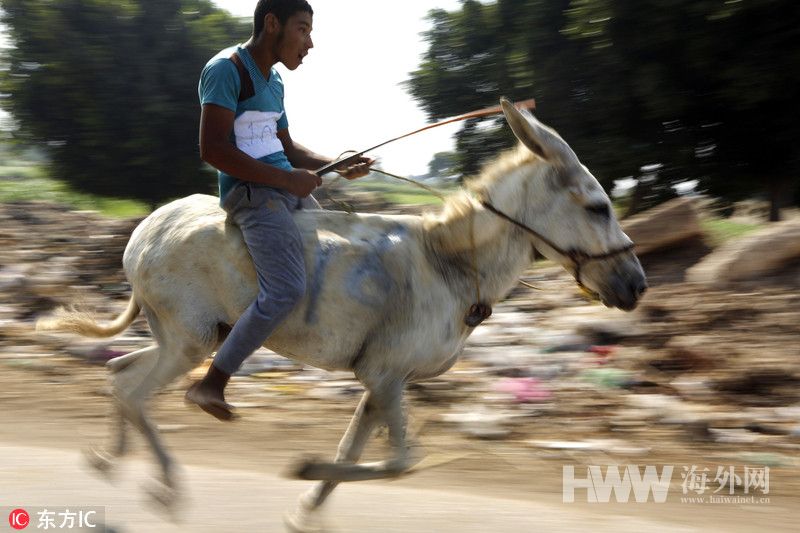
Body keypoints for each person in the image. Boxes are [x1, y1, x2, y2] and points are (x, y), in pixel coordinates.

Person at [185, 0, 373, 421]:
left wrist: (338, 163)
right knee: (285, 289)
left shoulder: (275, 84)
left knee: (339, 249)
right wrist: (287, 181)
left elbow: (286, 150)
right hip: (252, 196)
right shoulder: (226, 69)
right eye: (303, 29)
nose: (310, 42)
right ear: (272, 24)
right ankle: (211, 382)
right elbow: (213, 149)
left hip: (281, 189)